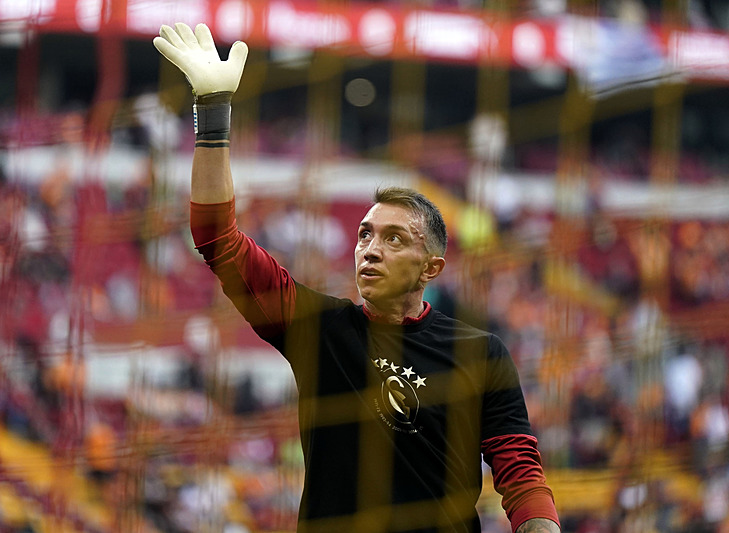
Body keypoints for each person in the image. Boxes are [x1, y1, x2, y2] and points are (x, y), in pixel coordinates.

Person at [153, 23, 560, 533]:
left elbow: (520, 471)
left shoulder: (482, 354)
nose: (370, 249)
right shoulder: (318, 328)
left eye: (394, 239)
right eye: (365, 234)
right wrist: (213, 110)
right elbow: (217, 239)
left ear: (431, 268)